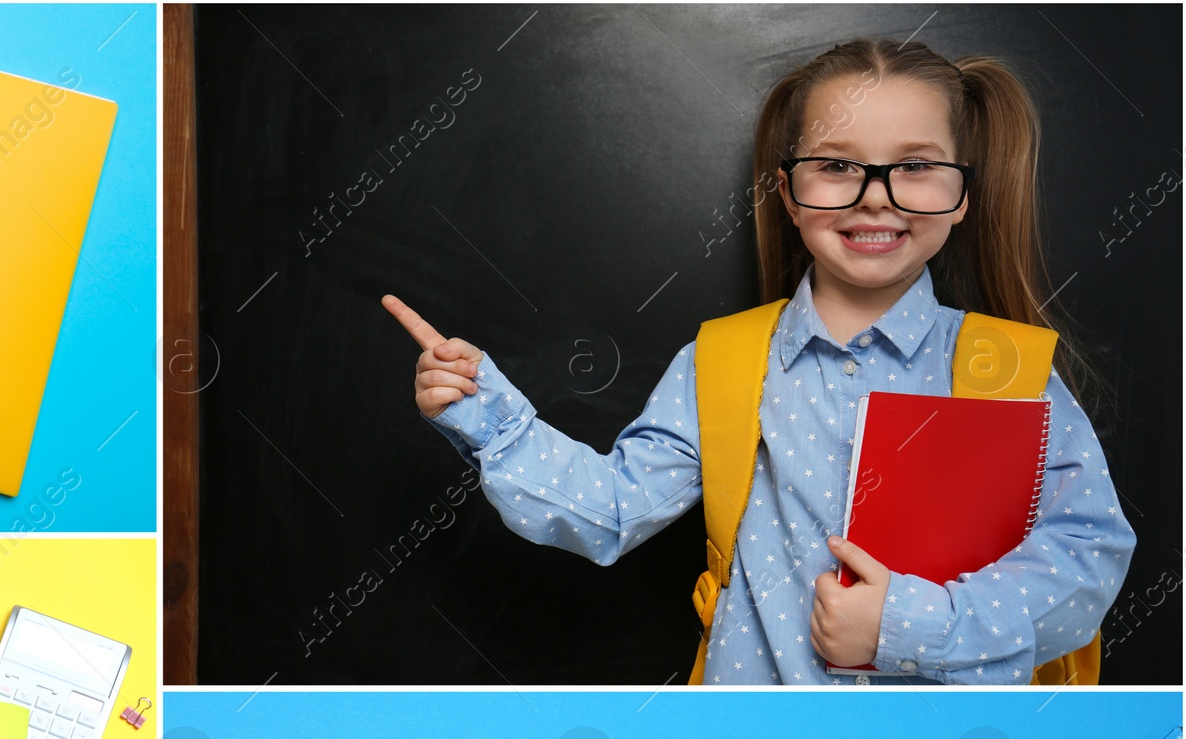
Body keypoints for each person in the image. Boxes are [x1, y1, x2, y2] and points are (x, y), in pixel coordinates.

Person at [385, 37, 1134, 684]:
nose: (876, 199)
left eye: (915, 167)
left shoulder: (1012, 371)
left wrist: (908, 624)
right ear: (789, 189)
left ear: (964, 193)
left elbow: (1086, 558)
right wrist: (488, 416)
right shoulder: (724, 361)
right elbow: (610, 510)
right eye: (837, 166)